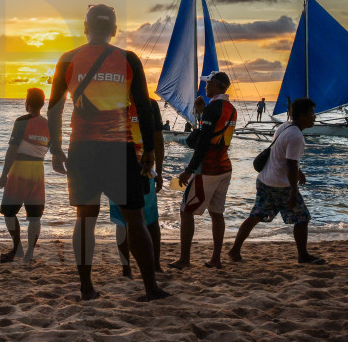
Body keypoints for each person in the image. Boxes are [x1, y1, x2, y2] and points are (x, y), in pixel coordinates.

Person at [47, 4, 168, 301]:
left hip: (82, 149)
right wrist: (149, 151)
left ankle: (86, 288)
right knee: (135, 219)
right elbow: (143, 105)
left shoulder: (68, 59)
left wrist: (56, 148)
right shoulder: (128, 59)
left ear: (85, 28)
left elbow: (54, 107)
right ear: (114, 30)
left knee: (85, 219)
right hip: (120, 150)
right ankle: (151, 288)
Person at [229, 97, 325, 265]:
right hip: (281, 186)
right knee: (302, 218)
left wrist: (299, 172)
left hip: (265, 180)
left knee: (255, 216)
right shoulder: (296, 136)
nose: (314, 117)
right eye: (311, 113)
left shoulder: (284, 127)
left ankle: (234, 250)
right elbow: (290, 163)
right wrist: (294, 191)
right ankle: (303, 256)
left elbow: (282, 155)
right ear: (302, 116)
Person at [169, 71, 237, 270]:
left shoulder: (213, 108)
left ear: (215, 86)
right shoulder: (231, 108)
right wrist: (201, 113)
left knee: (185, 210)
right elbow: (215, 131)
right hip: (225, 166)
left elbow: (203, 142)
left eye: (208, 84)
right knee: (217, 213)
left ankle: (184, 259)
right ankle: (216, 258)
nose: (205, 87)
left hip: (208, 169)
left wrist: (189, 169)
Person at [112, 96, 164, 278]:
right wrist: (160, 171)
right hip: (144, 168)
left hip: (118, 168)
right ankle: (154, 265)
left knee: (122, 221)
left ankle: (127, 269)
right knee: (149, 220)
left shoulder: (111, 101)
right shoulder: (149, 103)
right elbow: (158, 140)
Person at [0, 88, 50, 265]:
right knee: (35, 216)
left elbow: (12, 149)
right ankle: (29, 254)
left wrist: (4, 174)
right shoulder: (49, 125)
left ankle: (17, 247)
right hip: (38, 171)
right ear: (42, 103)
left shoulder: (21, 122)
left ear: (27, 102)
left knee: (9, 212)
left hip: (19, 170)